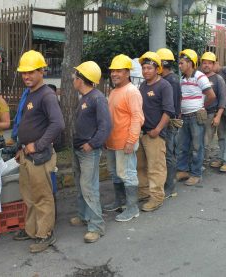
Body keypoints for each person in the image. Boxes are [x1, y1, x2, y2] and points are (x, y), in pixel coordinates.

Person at [12, 50, 65, 253]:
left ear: (42, 71)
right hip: (27, 155)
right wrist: (21, 148)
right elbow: (26, 123)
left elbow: (58, 124)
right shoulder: (31, 93)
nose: (26, 76)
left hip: (40, 157)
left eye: (31, 72)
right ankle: (32, 229)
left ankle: (45, 234)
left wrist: (39, 144)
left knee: (42, 196)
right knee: (29, 196)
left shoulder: (47, 95)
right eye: (24, 73)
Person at [70, 61, 111, 243]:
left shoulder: (97, 98)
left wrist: (92, 144)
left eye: (75, 76)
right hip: (78, 149)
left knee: (89, 187)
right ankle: (84, 215)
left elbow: (105, 126)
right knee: (81, 185)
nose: (73, 79)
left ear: (81, 80)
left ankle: (97, 226)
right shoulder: (85, 97)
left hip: (88, 151)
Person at [103, 54, 144, 222]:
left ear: (127, 72)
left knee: (127, 174)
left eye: (119, 70)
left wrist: (131, 140)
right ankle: (120, 201)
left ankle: (132, 208)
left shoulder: (132, 92)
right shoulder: (114, 91)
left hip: (125, 142)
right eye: (113, 70)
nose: (114, 74)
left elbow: (137, 117)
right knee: (115, 173)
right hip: (112, 142)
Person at [136, 51, 174, 212]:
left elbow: (168, 111)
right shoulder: (143, 85)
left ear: (157, 69)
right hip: (143, 133)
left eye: (149, 68)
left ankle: (157, 198)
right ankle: (144, 192)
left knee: (156, 167)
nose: (145, 71)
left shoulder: (164, 86)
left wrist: (157, 130)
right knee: (141, 166)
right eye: (144, 68)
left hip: (155, 135)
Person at [176, 49, 216, 186]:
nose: (179, 66)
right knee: (183, 145)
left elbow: (211, 95)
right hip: (185, 116)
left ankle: (196, 174)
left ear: (190, 63)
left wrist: (201, 107)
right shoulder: (182, 79)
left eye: (182, 63)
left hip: (195, 117)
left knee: (197, 146)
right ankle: (183, 170)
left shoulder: (199, 77)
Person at [157, 48, 181, 197]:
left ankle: (170, 186)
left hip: (168, 122)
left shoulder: (170, 81)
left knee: (168, 154)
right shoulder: (170, 79)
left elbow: (170, 106)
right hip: (167, 121)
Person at [200, 52, 226, 165]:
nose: (206, 65)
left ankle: (202, 162)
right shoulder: (198, 77)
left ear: (213, 65)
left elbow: (222, 99)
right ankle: (199, 161)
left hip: (211, 113)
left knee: (206, 140)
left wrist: (218, 116)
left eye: (209, 63)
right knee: (197, 140)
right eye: (204, 63)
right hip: (197, 113)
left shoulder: (218, 79)